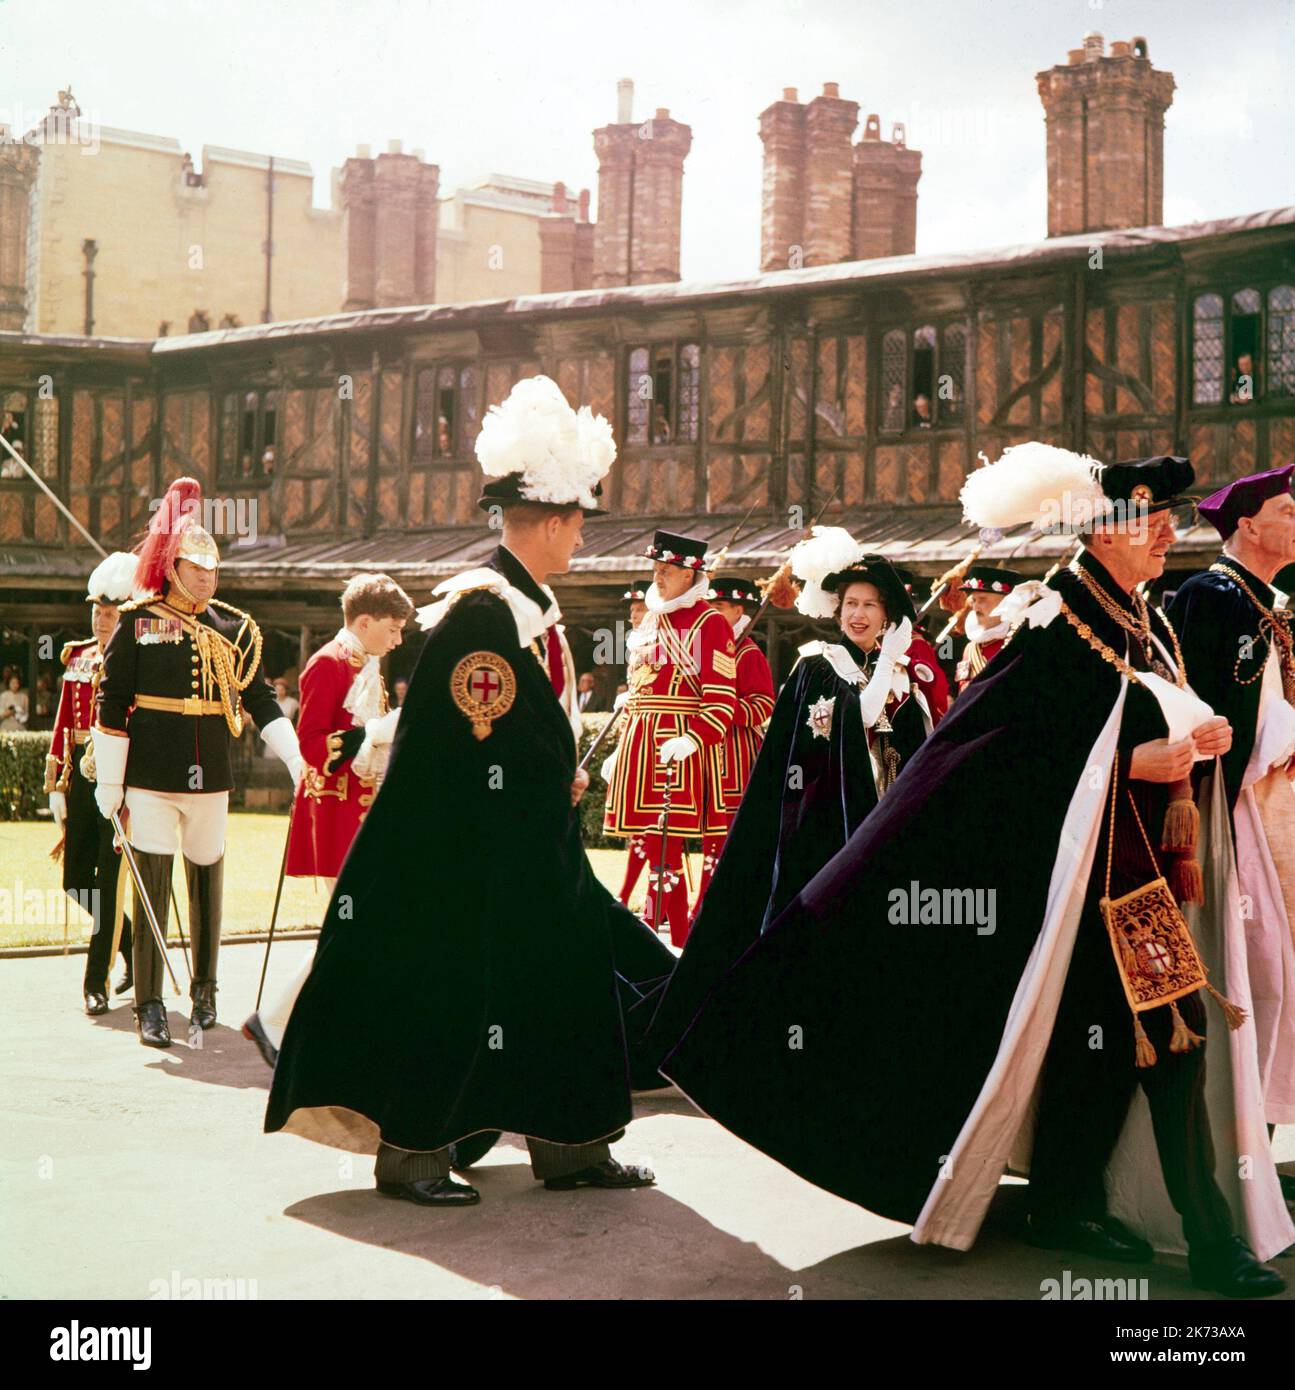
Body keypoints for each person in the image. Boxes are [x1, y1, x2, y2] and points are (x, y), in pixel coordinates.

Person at [659, 445, 1291, 1297]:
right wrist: (1125, 763)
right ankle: (1214, 1246)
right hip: (1064, 890)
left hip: (1135, 880)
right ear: (1101, 532)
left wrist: (1198, 744)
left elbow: (1148, 721)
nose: (1165, 535)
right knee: (1167, 1042)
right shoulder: (1053, 618)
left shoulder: (1147, 619)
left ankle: (1069, 1203)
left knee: (1113, 1047)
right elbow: (991, 757)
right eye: (1150, 519)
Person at [265, 375, 672, 1206]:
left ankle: (569, 1145)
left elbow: (513, 739)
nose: (582, 538)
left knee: (561, 985)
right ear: (554, 522)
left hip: (524, 847)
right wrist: (542, 785)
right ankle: (414, 1154)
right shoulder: (486, 617)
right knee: (450, 992)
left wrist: (557, 775)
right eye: (579, 523)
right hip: (468, 856)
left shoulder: (522, 610)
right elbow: (460, 752)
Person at [644, 532, 947, 1069]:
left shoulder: (903, 676)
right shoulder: (819, 664)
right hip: (825, 829)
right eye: (849, 603)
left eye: (869, 606)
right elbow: (849, 725)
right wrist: (886, 666)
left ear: (887, 615)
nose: (856, 614)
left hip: (882, 827)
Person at [92, 477, 303, 1047]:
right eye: (196, 568)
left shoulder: (233, 628)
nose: (208, 579)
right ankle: (150, 1004)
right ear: (172, 568)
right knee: (153, 885)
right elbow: (111, 702)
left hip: (210, 776)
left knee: (208, 878)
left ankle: (205, 989)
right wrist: (110, 781)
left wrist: (293, 755)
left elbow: (257, 697)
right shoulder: (138, 622)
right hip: (151, 776)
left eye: (213, 570)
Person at [1168, 464, 1295, 1199]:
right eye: (1286, 508)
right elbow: (1198, 708)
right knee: (1253, 977)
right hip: (1232, 812)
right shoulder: (1208, 595)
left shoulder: (1266, 600)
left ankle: (1263, 1149)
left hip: (1273, 808)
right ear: (1246, 524)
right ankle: (1228, 1166)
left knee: (1279, 980)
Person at [243, 572, 414, 1066]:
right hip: (339, 811)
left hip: (363, 808)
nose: (398, 639)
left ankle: (300, 1025)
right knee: (357, 922)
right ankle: (277, 1023)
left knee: (363, 922)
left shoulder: (368, 663)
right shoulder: (328, 664)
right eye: (393, 628)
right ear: (364, 621)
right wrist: (376, 734)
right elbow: (313, 746)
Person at [602, 531, 737, 946]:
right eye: (656, 569)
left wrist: (694, 739)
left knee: (668, 851)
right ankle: (659, 942)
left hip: (674, 747)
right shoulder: (654, 619)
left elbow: (721, 698)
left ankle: (678, 943)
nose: (658, 578)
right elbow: (639, 689)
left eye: (667, 570)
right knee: (650, 848)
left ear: (690, 574)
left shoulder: (710, 623)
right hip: (640, 744)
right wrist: (620, 746)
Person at [46, 552, 138, 1016]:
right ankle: (133, 944)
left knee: (106, 884)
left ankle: (95, 982)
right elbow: (65, 722)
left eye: (110, 614)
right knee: (76, 880)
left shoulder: (135, 663)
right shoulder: (77, 656)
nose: (101, 621)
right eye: (97, 613)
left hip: (117, 781)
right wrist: (55, 785)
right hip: (80, 783)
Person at [692, 576, 775, 912]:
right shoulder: (705, 646)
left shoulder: (748, 653)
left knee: (724, 831)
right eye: (708, 606)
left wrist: (724, 707)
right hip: (706, 749)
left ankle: (708, 904)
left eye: (719, 607)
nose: (711, 612)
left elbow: (763, 704)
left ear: (738, 610)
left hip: (735, 754)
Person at [609, 584, 652, 910]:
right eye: (631, 611)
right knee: (638, 824)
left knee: (654, 827)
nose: (633, 615)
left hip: (657, 743)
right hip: (635, 737)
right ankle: (631, 896)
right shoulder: (637, 644)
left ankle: (652, 899)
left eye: (639, 609)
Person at [954, 565, 1023, 692]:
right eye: (973, 600)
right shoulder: (970, 649)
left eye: (982, 599)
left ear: (1005, 603)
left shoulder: (1019, 644)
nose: (975, 607)